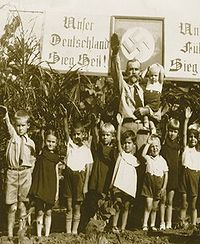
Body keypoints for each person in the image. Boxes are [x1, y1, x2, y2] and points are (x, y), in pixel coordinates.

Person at [110, 33, 157, 149]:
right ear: (126, 72)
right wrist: (115, 53)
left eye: (136, 69)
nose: (133, 72)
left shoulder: (144, 89)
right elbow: (116, 73)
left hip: (142, 127)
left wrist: (146, 110)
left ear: (140, 71)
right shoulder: (123, 87)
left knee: (142, 157)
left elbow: (154, 105)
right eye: (131, 69)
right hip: (127, 126)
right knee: (127, 158)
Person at [1, 106, 36, 239]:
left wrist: (30, 172)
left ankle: (21, 232)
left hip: (25, 174)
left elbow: (33, 159)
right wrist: (6, 116)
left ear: (28, 126)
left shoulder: (31, 143)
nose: (20, 128)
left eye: (22, 126)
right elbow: (9, 126)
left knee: (22, 205)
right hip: (12, 173)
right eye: (17, 126)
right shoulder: (14, 137)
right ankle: (9, 233)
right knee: (12, 206)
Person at [62, 109, 93, 235]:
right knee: (69, 206)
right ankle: (68, 231)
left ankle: (75, 231)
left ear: (83, 134)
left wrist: (85, 185)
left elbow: (89, 168)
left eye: (79, 134)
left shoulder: (86, 149)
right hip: (69, 176)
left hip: (80, 178)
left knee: (77, 206)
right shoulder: (70, 144)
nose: (76, 136)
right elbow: (65, 132)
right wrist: (65, 117)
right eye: (74, 134)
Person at [29, 128, 61, 237]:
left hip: (51, 186)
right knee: (39, 211)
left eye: (53, 142)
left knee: (48, 212)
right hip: (41, 185)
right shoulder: (41, 154)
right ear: (45, 141)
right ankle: (38, 235)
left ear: (56, 143)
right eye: (48, 141)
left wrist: (57, 191)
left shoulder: (56, 158)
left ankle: (47, 235)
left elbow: (56, 175)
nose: (50, 144)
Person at [110, 113, 139, 233]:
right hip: (119, 185)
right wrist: (120, 124)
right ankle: (114, 226)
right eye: (125, 143)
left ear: (133, 145)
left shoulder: (135, 159)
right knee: (118, 204)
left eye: (129, 143)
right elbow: (117, 139)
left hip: (128, 186)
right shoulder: (121, 154)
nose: (127, 145)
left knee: (126, 206)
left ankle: (123, 227)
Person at [86, 119, 117, 220]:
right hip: (97, 176)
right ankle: (93, 218)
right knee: (94, 198)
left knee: (105, 198)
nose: (105, 137)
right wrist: (94, 126)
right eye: (103, 135)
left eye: (108, 135)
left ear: (112, 136)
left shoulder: (114, 150)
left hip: (106, 176)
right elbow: (95, 138)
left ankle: (103, 218)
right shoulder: (99, 147)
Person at [179, 107, 200, 231]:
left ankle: (193, 224)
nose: (192, 139)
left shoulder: (198, 150)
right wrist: (186, 120)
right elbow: (184, 134)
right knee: (184, 202)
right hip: (184, 174)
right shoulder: (186, 147)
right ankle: (182, 223)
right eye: (191, 137)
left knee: (193, 203)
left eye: (195, 137)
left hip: (195, 175)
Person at [141, 134, 168, 231]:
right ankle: (144, 224)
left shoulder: (163, 160)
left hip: (158, 185)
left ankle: (152, 225)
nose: (154, 148)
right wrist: (148, 143)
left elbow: (166, 174)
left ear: (160, 148)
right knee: (148, 205)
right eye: (152, 147)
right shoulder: (148, 158)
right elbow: (142, 154)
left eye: (156, 146)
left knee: (155, 207)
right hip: (148, 184)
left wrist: (164, 187)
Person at [159, 118, 180, 230]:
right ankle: (162, 222)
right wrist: (166, 127)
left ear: (178, 133)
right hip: (163, 175)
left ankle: (169, 222)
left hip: (173, 176)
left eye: (175, 131)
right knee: (163, 199)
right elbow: (164, 133)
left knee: (170, 200)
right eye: (171, 130)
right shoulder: (164, 142)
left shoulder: (178, 145)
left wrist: (186, 120)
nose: (172, 133)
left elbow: (185, 137)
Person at [142, 63, 165, 133]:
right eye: (151, 75)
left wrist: (159, 66)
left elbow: (162, 73)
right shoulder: (148, 81)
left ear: (158, 76)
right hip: (148, 102)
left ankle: (146, 125)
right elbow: (142, 76)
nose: (153, 77)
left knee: (146, 113)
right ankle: (152, 127)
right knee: (148, 116)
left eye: (155, 76)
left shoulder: (159, 83)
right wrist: (148, 68)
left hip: (154, 103)